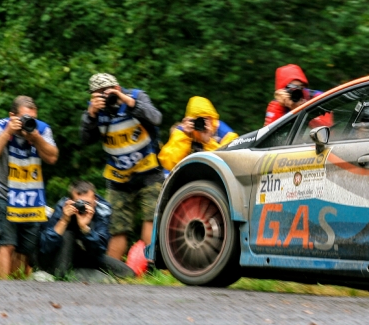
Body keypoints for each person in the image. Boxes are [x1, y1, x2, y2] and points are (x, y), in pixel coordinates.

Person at [81, 73, 163, 260]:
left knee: (151, 219)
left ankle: (154, 267)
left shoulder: (136, 96)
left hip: (149, 171)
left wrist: (128, 101)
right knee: (117, 228)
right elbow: (85, 140)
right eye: (99, 94)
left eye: (108, 92)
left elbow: (156, 118)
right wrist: (91, 115)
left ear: (117, 88)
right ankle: (113, 272)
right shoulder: (96, 111)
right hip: (118, 177)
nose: (105, 97)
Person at [0, 96, 59, 278]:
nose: (29, 122)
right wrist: (8, 132)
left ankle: (16, 288)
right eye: (24, 118)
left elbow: (52, 157)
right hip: (1, 192)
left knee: (25, 248)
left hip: (29, 195)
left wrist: (36, 138)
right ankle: (2, 286)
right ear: (12, 116)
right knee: (6, 243)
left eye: (33, 118)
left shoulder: (41, 129)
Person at [38, 180, 134, 281]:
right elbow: (45, 248)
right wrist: (64, 221)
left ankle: (78, 273)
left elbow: (100, 250)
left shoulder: (102, 211)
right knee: (68, 234)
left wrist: (85, 228)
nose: (83, 207)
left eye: (87, 203)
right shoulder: (63, 208)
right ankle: (61, 275)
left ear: (95, 200)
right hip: (60, 256)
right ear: (70, 201)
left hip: (86, 255)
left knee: (127, 273)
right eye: (79, 203)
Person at [158, 96, 238, 172]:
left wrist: (208, 142)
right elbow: (169, 164)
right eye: (197, 120)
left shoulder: (226, 134)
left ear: (213, 118)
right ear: (190, 120)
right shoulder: (184, 132)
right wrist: (185, 136)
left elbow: (228, 166)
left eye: (205, 119)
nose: (201, 123)